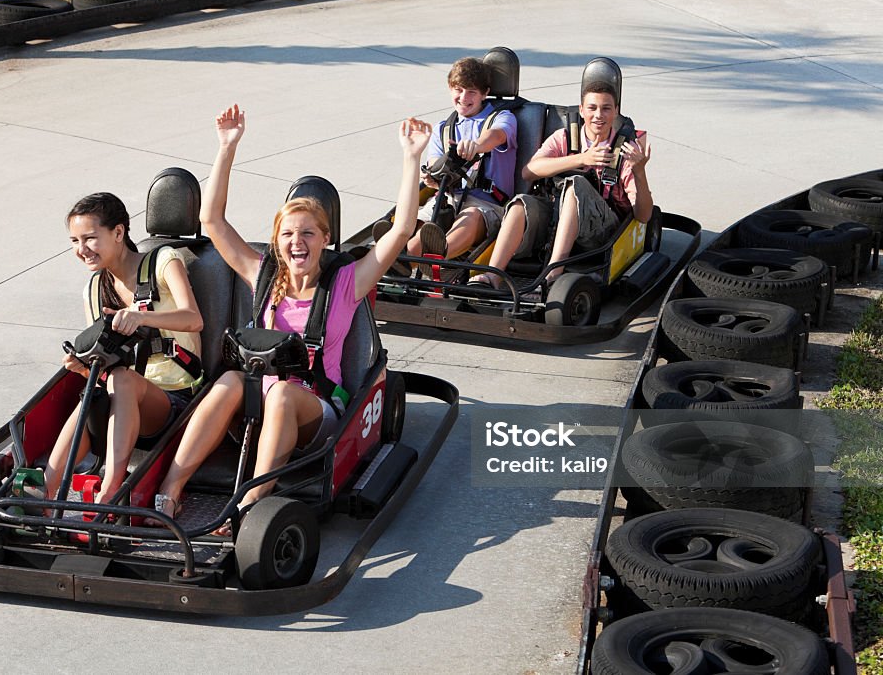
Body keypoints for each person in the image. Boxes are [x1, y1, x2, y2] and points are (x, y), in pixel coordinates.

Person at [151, 105, 431, 529]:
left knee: (282, 394)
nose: (296, 242)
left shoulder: (347, 282)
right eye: (287, 234)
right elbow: (212, 220)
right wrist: (227, 147)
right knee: (228, 380)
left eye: (307, 234)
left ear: (325, 239)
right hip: (257, 407)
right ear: (277, 242)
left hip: (314, 412)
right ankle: (167, 494)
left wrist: (411, 159)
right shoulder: (261, 274)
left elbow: (403, 227)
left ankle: (250, 503)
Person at [44, 192, 203, 507]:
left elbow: (194, 319)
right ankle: (45, 491)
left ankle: (109, 493)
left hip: (176, 400)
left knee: (120, 380)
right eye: (75, 240)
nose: (81, 249)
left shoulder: (163, 261)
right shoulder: (93, 289)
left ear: (118, 233)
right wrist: (83, 368)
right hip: (122, 402)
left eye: (90, 238)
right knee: (95, 388)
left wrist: (142, 315)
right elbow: (105, 365)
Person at [469, 80, 653, 287]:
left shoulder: (625, 151)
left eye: (606, 108)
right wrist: (582, 159)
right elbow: (529, 172)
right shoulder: (564, 137)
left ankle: (552, 275)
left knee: (576, 185)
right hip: (556, 222)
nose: (598, 115)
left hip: (601, 231)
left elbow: (644, 215)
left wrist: (639, 172)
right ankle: (494, 275)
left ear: (615, 112)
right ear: (582, 110)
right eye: (592, 108)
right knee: (521, 203)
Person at [388, 56, 516, 265]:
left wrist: (476, 146)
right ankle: (400, 260)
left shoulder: (502, 118)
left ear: (485, 93)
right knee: (428, 219)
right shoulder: (443, 128)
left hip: (486, 204)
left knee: (471, 215)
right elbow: (435, 165)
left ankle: (438, 260)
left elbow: (496, 136)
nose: (463, 97)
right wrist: (430, 176)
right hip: (448, 199)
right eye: (458, 89)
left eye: (472, 92)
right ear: (450, 88)